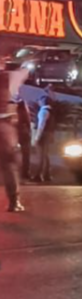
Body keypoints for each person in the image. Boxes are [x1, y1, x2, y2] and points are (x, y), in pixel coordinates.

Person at [0, 72, 24, 213]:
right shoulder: (10, 92)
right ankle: (14, 202)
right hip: (5, 126)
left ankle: (14, 202)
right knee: (9, 165)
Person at [31, 94, 55, 183]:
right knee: (45, 155)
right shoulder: (50, 111)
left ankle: (39, 175)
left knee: (41, 156)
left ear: (43, 101)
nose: (38, 102)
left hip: (43, 135)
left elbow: (41, 125)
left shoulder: (43, 111)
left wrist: (37, 137)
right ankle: (47, 175)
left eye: (40, 100)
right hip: (48, 134)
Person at [16, 99, 31, 180]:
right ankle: (25, 173)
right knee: (26, 155)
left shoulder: (16, 113)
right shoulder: (26, 113)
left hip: (17, 134)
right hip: (25, 134)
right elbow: (28, 124)